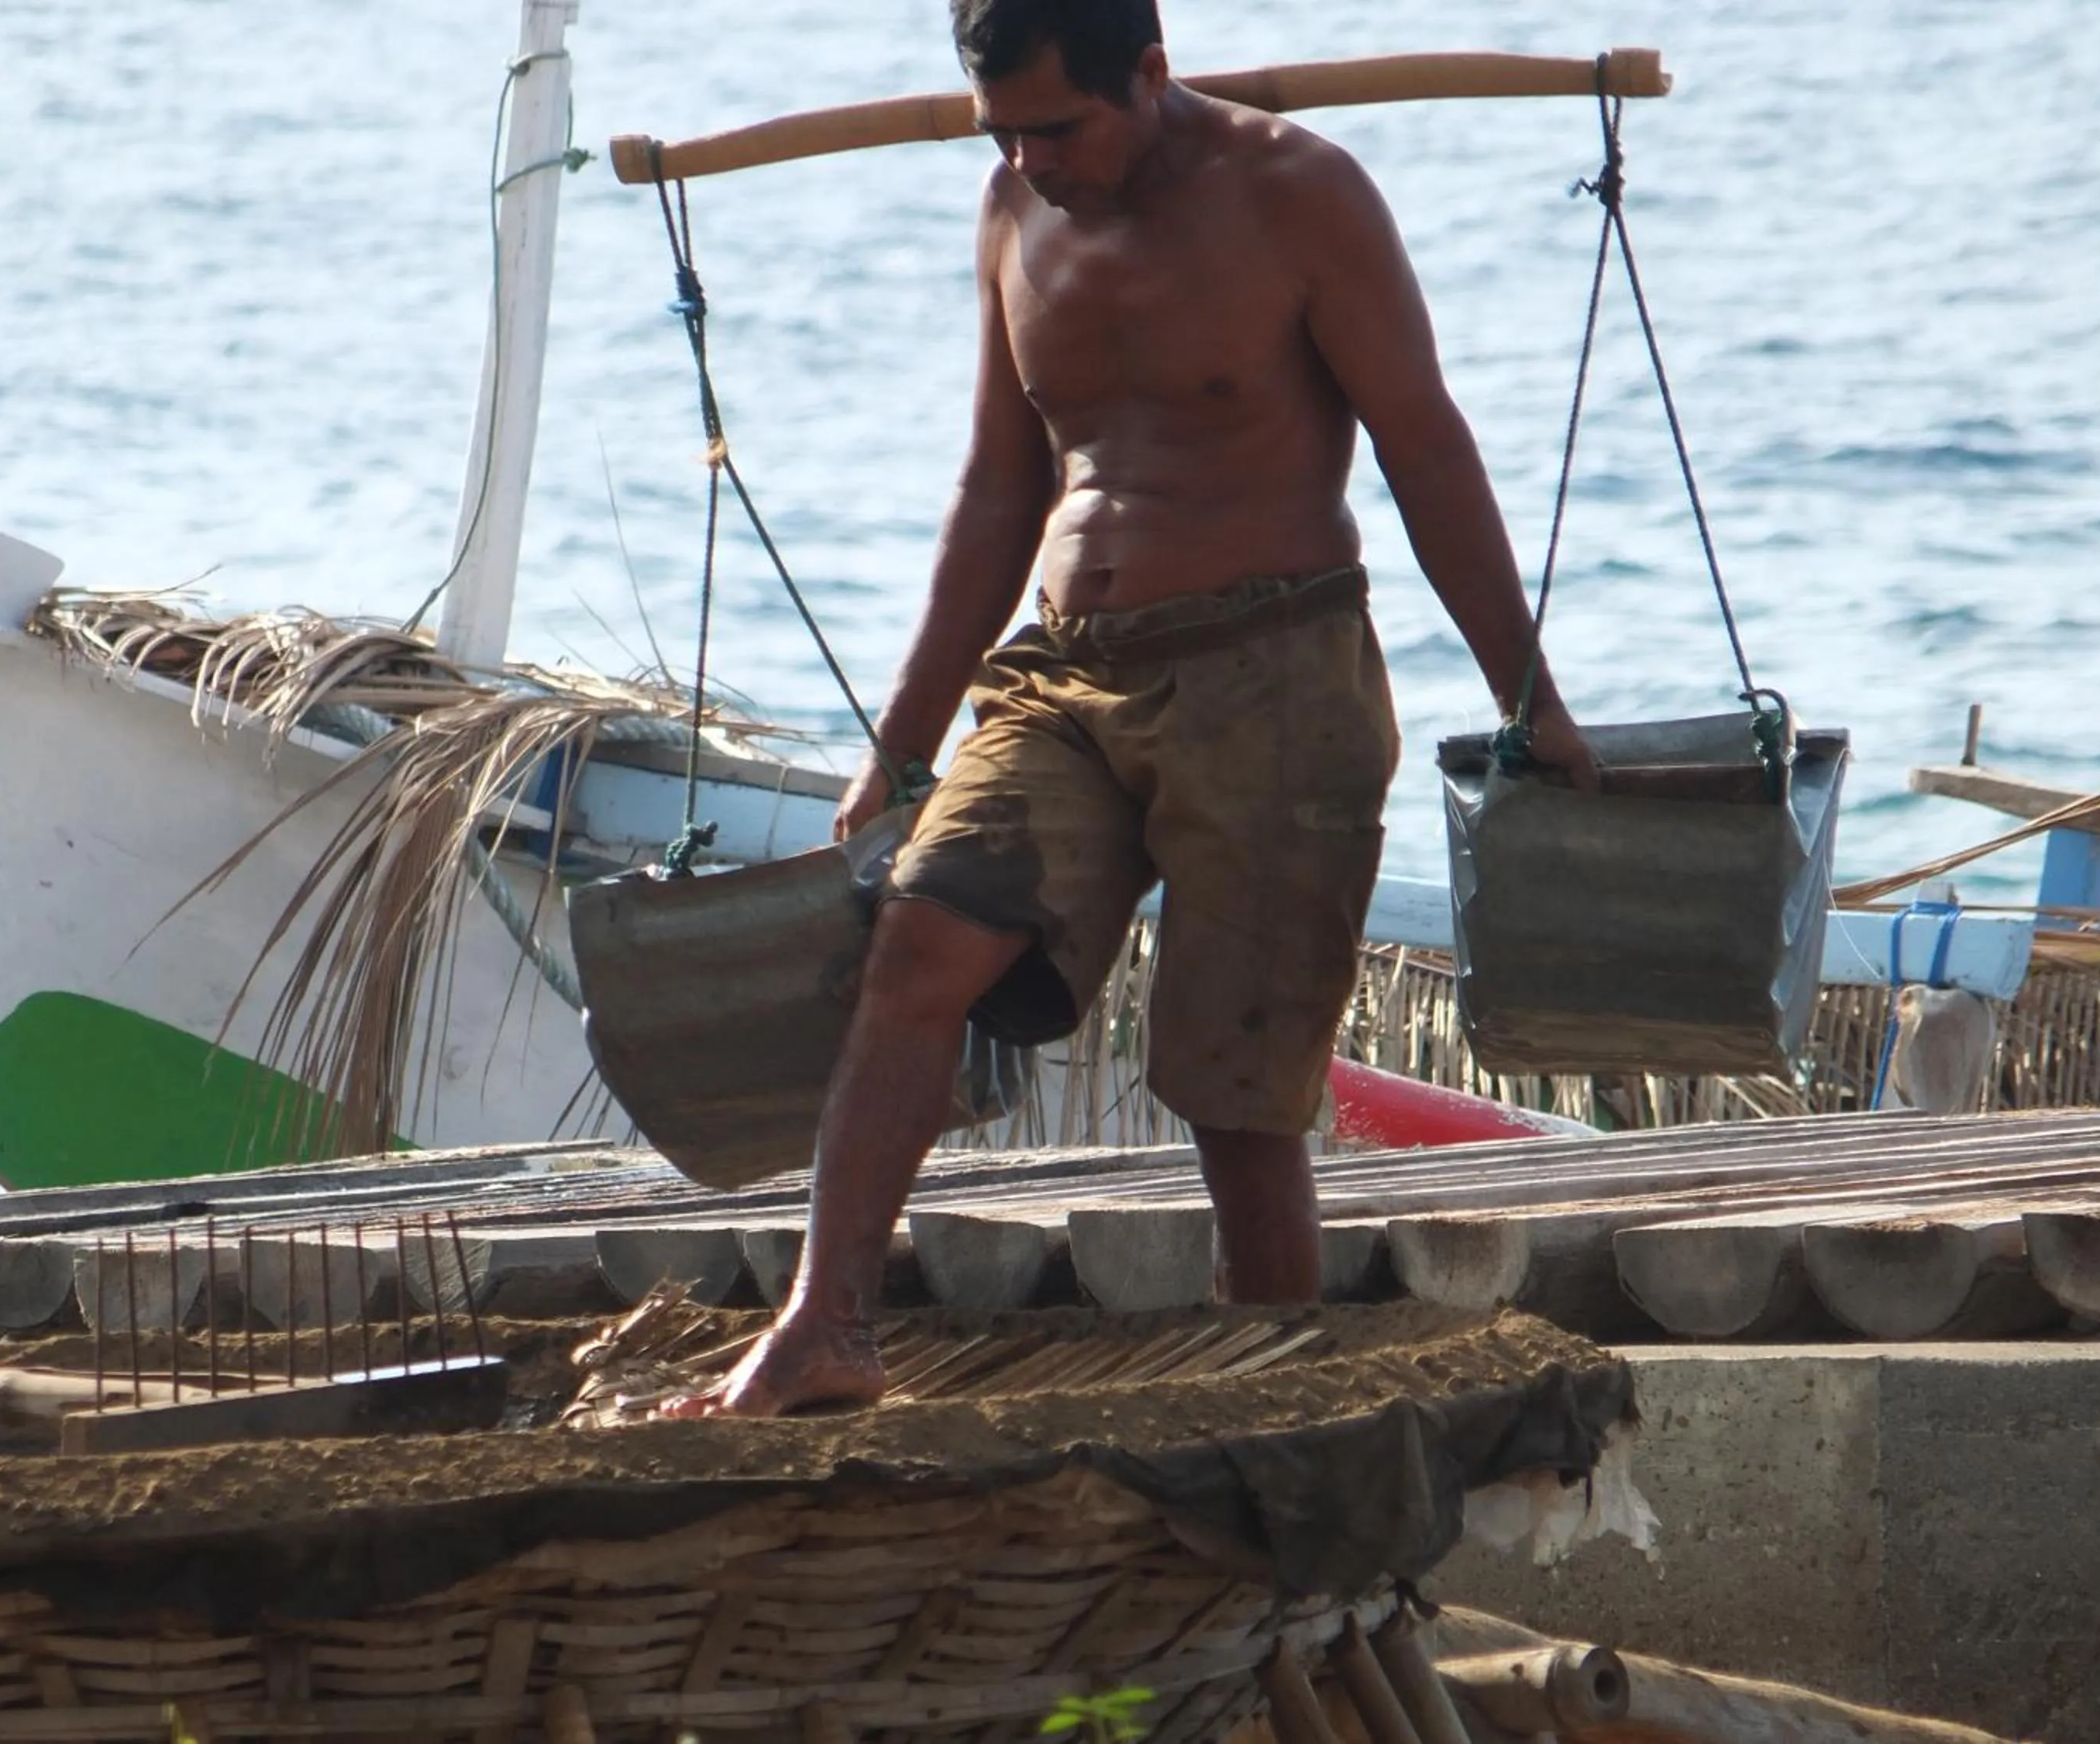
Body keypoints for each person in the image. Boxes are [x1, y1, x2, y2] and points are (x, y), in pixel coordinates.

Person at [665, 0, 1596, 1418]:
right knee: (921, 937)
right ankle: (823, 1323)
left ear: (1150, 74)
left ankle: (1279, 1387)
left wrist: (1530, 697)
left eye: (1059, 126)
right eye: (1005, 131)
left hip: (1274, 676)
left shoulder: (1301, 195)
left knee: (1236, 1087)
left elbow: (1426, 448)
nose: (1033, 159)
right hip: (1066, 675)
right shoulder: (1009, 211)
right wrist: (903, 742)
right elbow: (997, 489)